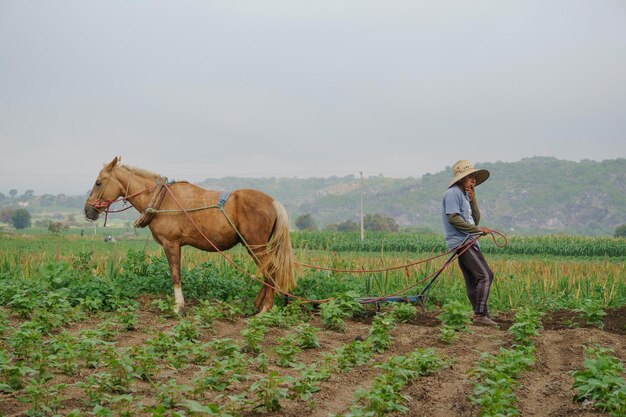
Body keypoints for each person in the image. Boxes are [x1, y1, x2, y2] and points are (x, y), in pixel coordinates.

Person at [441, 160, 497, 327]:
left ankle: (478, 313)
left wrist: (473, 201)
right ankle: (480, 314)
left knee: (474, 279)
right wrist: (477, 230)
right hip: (462, 241)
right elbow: (453, 218)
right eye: (470, 177)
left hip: (468, 239)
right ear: (461, 179)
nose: (473, 181)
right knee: (486, 275)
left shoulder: (464, 196)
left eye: (474, 177)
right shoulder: (453, 193)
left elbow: (475, 219)